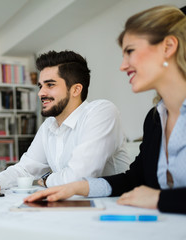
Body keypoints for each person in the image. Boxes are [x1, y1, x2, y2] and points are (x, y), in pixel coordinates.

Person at [25, 5, 186, 214]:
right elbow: (134, 179)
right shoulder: (155, 119)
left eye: (130, 51)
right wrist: (79, 187)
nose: (123, 65)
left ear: (168, 47)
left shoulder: (101, 112)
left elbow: (155, 195)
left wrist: (160, 199)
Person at [0, 50, 130, 196]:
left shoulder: (101, 111)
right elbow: (26, 169)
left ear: (75, 90)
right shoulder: (49, 125)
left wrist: (47, 179)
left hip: (114, 208)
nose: (41, 93)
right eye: (40, 86)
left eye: (50, 85)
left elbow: (79, 178)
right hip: (71, 207)